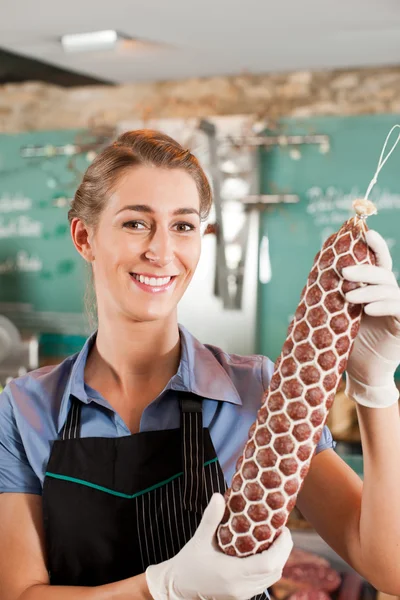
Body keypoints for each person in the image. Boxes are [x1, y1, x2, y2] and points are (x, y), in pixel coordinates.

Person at [0, 130, 399, 600]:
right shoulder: (26, 408)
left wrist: (376, 389)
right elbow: (19, 593)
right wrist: (162, 587)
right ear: (84, 237)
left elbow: (387, 569)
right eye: (135, 223)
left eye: (184, 226)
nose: (162, 251)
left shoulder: (259, 390)